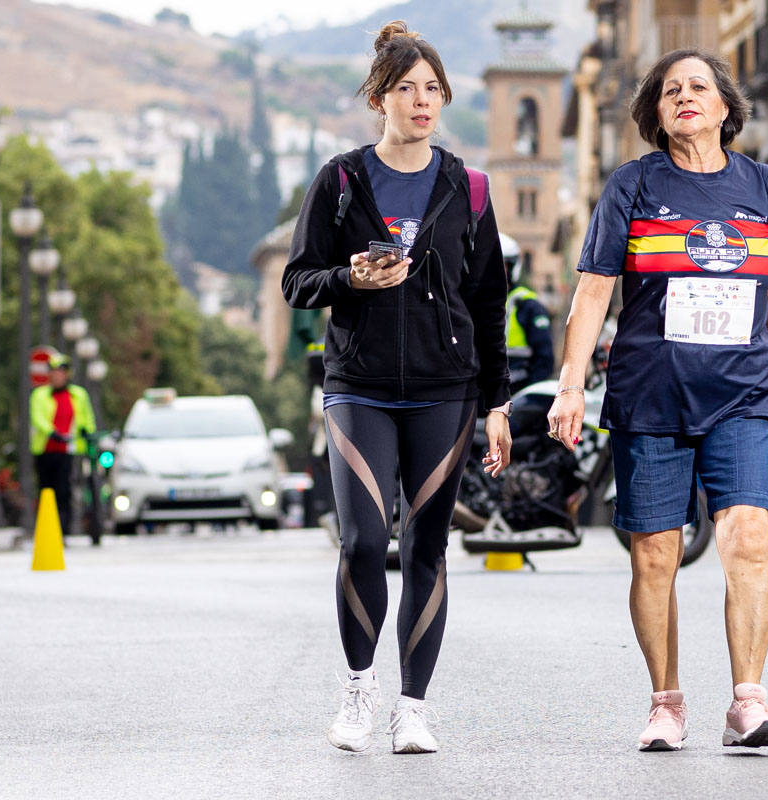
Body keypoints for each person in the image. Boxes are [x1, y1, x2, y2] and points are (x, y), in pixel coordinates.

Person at [547, 48, 768, 752]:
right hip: (651, 393)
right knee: (654, 554)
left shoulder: (766, 188)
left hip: (744, 392)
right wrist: (570, 387)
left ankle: (748, 701)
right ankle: (666, 703)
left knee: (749, 539)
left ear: (726, 107)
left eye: (699, 87)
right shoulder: (633, 185)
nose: (684, 97)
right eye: (670, 92)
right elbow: (594, 290)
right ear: (656, 115)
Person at [282, 21, 511, 755]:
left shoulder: (466, 187)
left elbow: (489, 303)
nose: (422, 101)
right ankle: (357, 688)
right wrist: (350, 276)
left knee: (428, 548)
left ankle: (413, 707)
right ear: (380, 98)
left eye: (433, 89)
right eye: (407, 89)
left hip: (448, 391)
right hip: (359, 385)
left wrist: (499, 402)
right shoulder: (341, 180)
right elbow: (297, 281)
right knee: (359, 541)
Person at [29, 354, 96, 539]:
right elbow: (38, 418)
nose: (57, 376)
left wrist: (87, 432)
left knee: (64, 489)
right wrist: (53, 433)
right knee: (45, 489)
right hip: (45, 449)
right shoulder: (39, 395)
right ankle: (44, 529)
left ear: (67, 374)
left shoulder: (78, 394)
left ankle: (62, 530)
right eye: (54, 372)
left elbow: (86, 417)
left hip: (69, 449)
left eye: (61, 372)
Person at [501, 232, 554, 393]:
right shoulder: (472, 302)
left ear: (510, 268)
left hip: (516, 395)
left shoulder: (527, 306)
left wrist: (528, 398)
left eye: (500, 265)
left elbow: (544, 360)